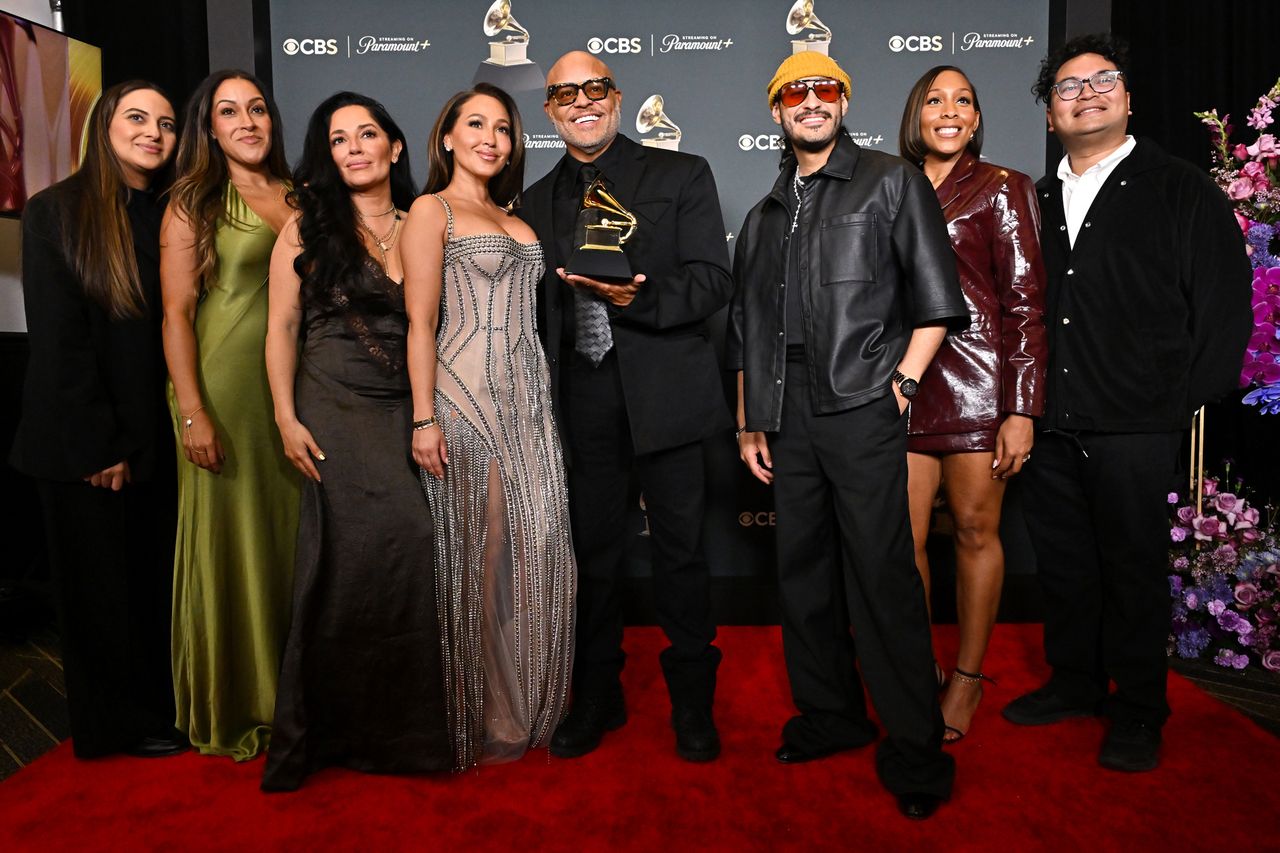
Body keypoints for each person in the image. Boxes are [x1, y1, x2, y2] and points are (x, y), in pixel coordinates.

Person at [1002, 34, 1252, 772]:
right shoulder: (1035, 200)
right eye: (1068, 87)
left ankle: (1139, 707)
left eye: (1102, 80)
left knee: (1134, 570)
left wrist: (1176, 401)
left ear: (1129, 98)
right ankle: (1075, 682)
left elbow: (1224, 306)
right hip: (1051, 422)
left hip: (1137, 424)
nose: (1087, 94)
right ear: (1050, 115)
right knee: (1065, 565)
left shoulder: (1179, 187)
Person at [728, 52, 967, 819]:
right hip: (784, 409)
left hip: (864, 400)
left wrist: (902, 385)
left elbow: (936, 297)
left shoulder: (890, 181)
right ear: (776, 110)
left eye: (824, 89)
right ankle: (831, 714)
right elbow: (747, 329)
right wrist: (750, 417)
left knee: (882, 574)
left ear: (843, 102)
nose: (811, 101)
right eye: (794, 92)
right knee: (802, 572)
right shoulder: (763, 214)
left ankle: (916, 750)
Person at [519, 51, 733, 762]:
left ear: (616, 97)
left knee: (682, 553)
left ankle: (693, 703)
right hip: (581, 396)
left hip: (666, 390)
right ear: (549, 111)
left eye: (595, 88)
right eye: (565, 94)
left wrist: (636, 299)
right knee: (592, 555)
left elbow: (713, 281)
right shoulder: (534, 201)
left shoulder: (682, 173)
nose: (582, 101)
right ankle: (597, 694)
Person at [260, 92, 451, 790]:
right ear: (329, 157)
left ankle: (401, 734)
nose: (354, 148)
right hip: (333, 402)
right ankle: (335, 732)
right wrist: (285, 415)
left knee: (402, 557)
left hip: (411, 403)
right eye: (339, 140)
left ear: (395, 147)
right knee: (366, 550)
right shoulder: (305, 227)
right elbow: (281, 326)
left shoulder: (424, 220)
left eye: (367, 134)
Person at [10, 80, 187, 759]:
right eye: (137, 118)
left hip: (149, 436)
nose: (154, 133)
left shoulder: (165, 211)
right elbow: (61, 342)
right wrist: (98, 445)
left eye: (166, 124)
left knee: (144, 585)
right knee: (98, 596)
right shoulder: (57, 211)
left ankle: (154, 711)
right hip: (83, 444)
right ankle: (114, 729)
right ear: (103, 127)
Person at [402, 83, 575, 770]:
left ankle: (524, 691)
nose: (491, 139)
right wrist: (423, 416)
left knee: (538, 543)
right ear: (447, 137)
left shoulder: (516, 216)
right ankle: (485, 703)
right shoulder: (431, 209)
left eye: (503, 128)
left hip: (528, 405)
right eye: (475, 124)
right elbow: (420, 322)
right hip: (465, 399)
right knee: (487, 550)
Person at [896, 65, 1047, 742]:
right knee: (901, 541)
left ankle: (967, 676)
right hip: (903, 379)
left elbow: (1025, 300)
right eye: (935, 100)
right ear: (916, 115)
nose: (949, 111)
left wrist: (1022, 408)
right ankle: (914, 665)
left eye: (963, 101)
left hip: (979, 381)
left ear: (978, 118)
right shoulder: (891, 184)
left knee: (976, 532)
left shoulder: (1003, 186)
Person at [161, 70, 299, 760]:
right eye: (229, 112)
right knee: (234, 541)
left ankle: (292, 695)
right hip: (221, 391)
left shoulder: (299, 194)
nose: (247, 122)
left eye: (257, 109)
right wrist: (193, 412)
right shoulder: (195, 201)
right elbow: (176, 313)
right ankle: (241, 703)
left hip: (292, 390)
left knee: (285, 540)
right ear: (209, 129)